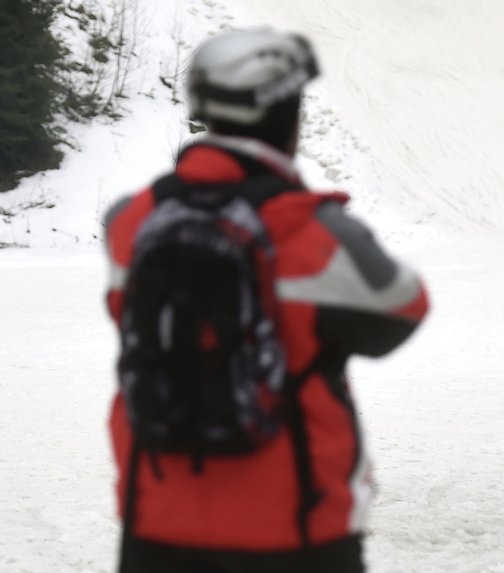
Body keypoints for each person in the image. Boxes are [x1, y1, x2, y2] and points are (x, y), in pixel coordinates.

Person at [103, 29, 429, 572]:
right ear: (289, 114)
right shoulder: (317, 234)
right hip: (294, 531)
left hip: (155, 523)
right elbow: (403, 307)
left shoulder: (131, 223)